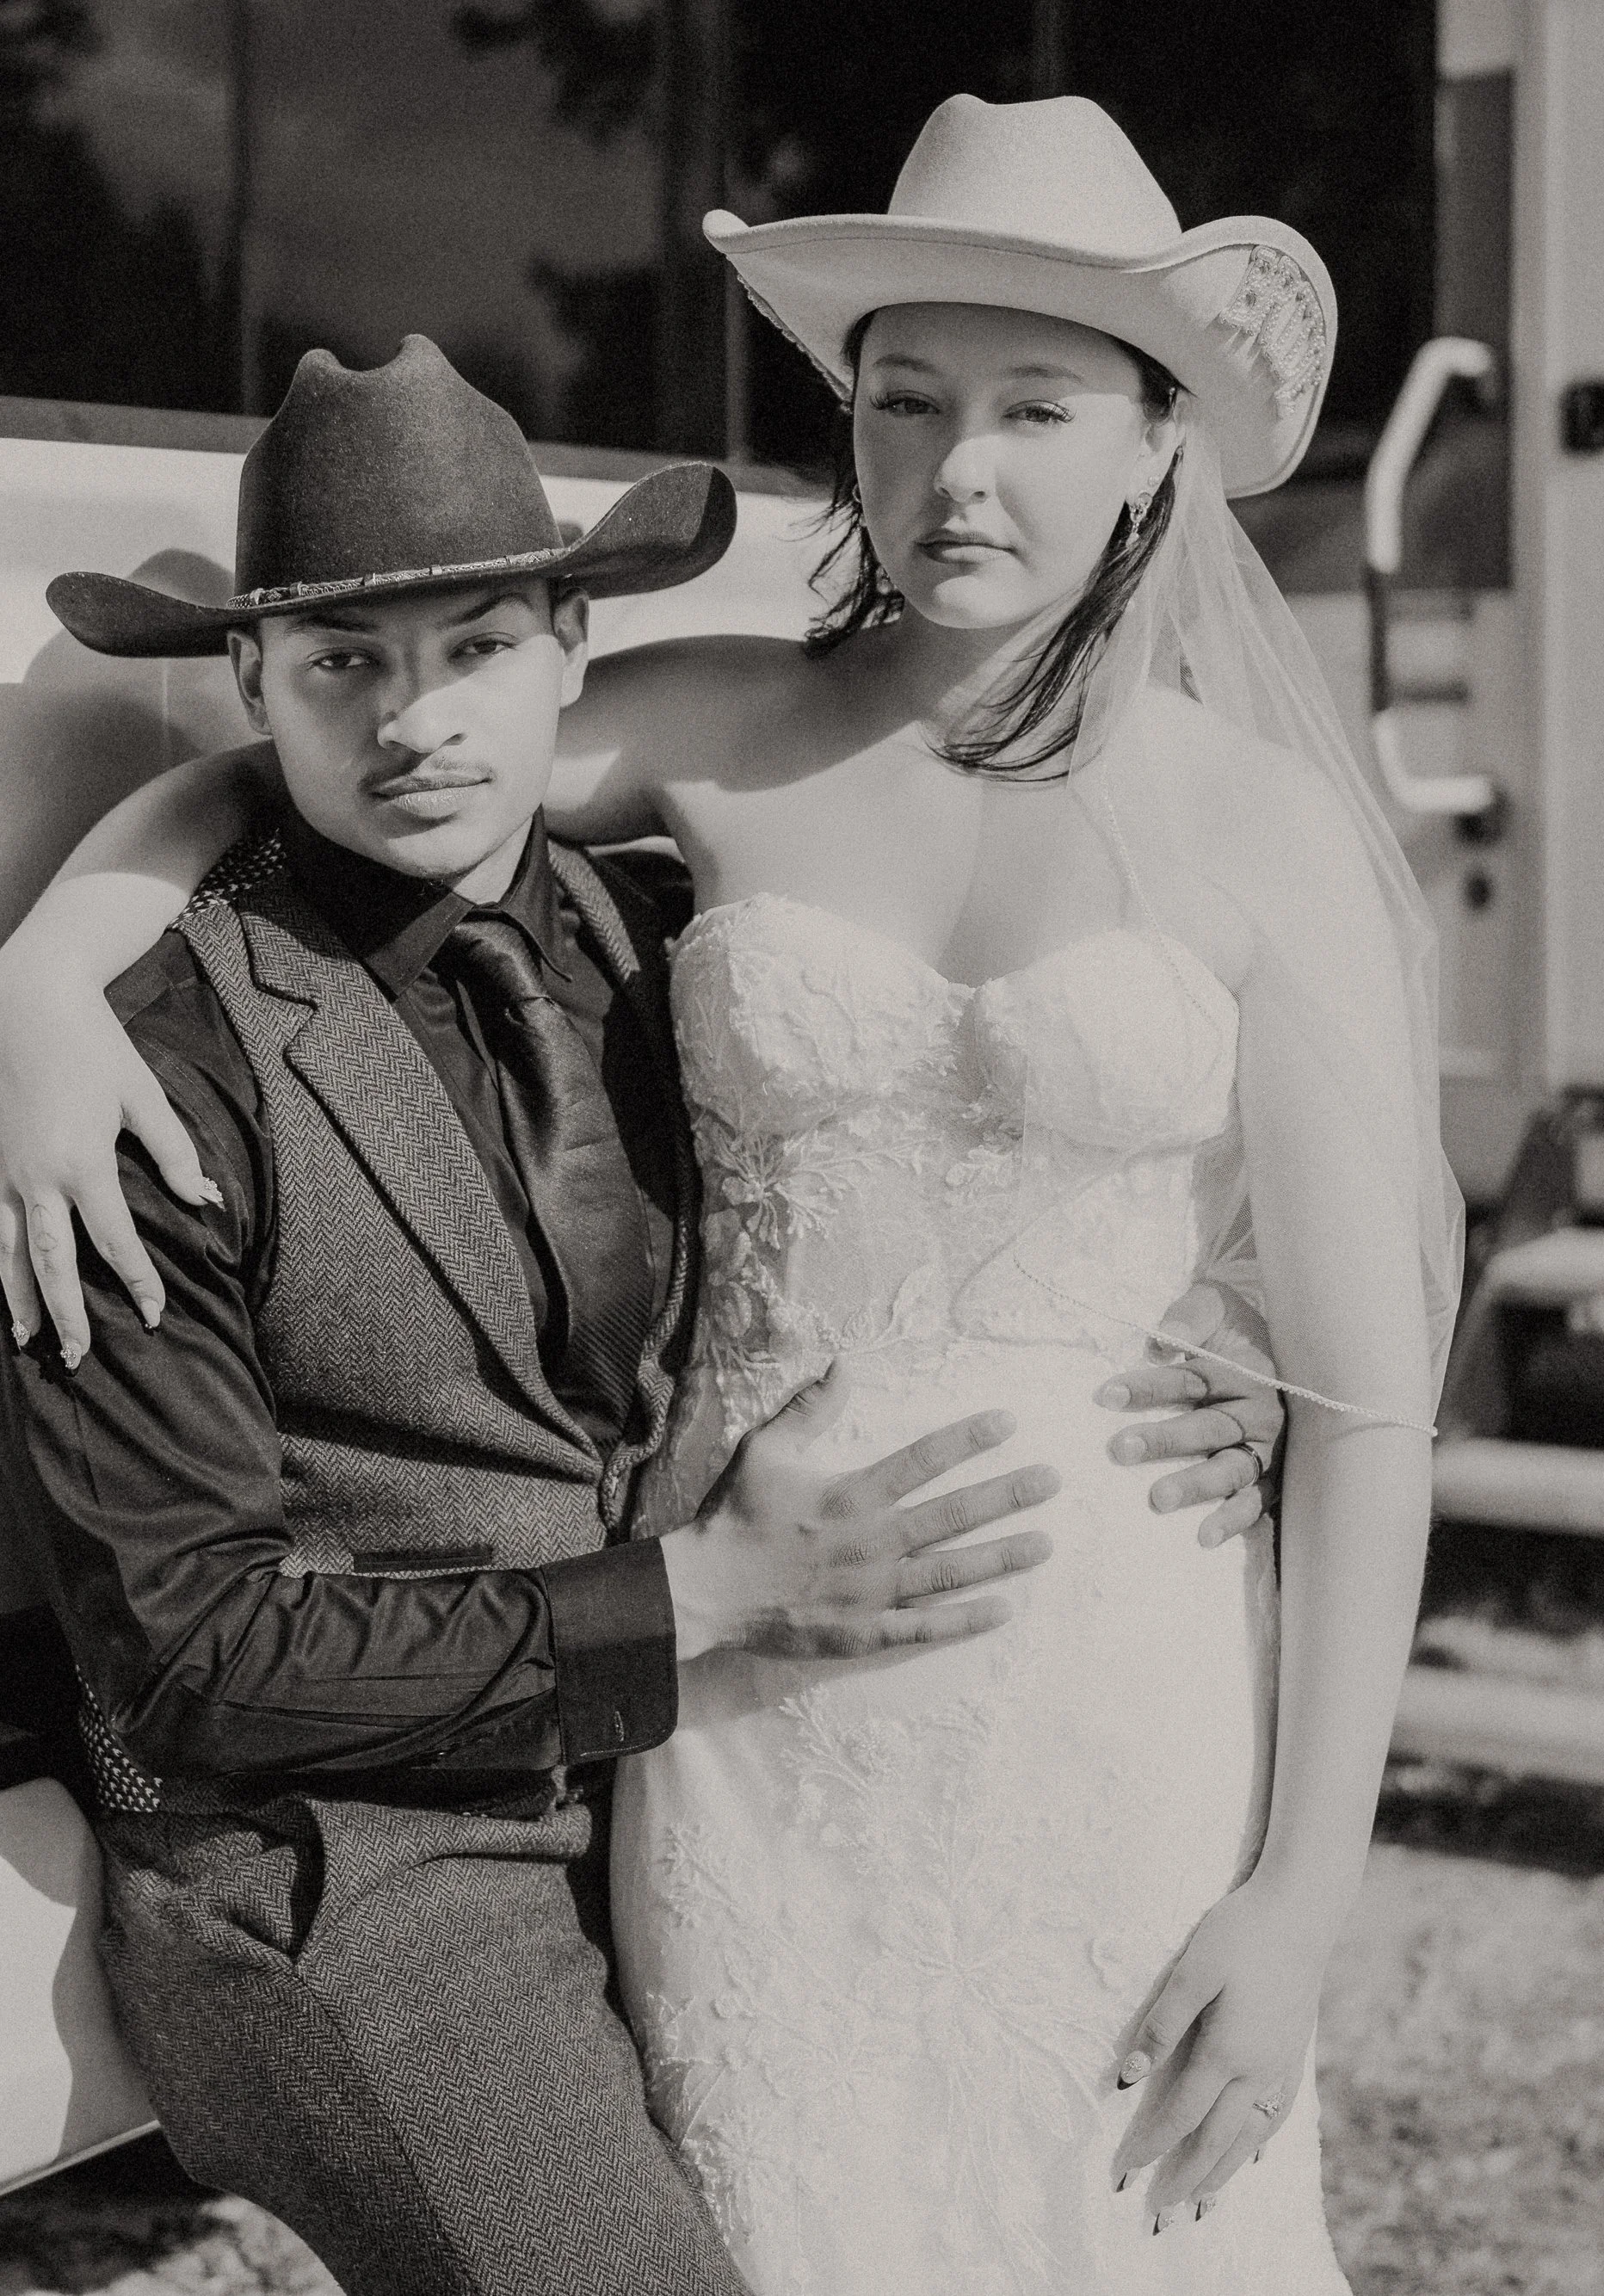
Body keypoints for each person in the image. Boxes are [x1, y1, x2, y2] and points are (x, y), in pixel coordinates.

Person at [0, 92, 1430, 2290]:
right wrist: (39, 990)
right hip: (742, 1713)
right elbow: (307, 762)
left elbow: (1366, 1406)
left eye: (1037, 410)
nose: (961, 473)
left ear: (1158, 442)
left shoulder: (1264, 831)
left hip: (1112, 1685)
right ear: (842, 425)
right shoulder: (721, 729)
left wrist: (1302, 1893)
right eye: (905, 403)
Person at [0, 334, 1078, 2296]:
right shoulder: (135, 1072)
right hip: (350, 1868)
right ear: (249, 686)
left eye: (472, 648)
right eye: (342, 663)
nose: (413, 722)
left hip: (696, 1789)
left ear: (574, 645)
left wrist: (1220, 1372)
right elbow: (188, 1654)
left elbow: (1028, 1159)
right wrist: (694, 1606)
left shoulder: (677, 936)